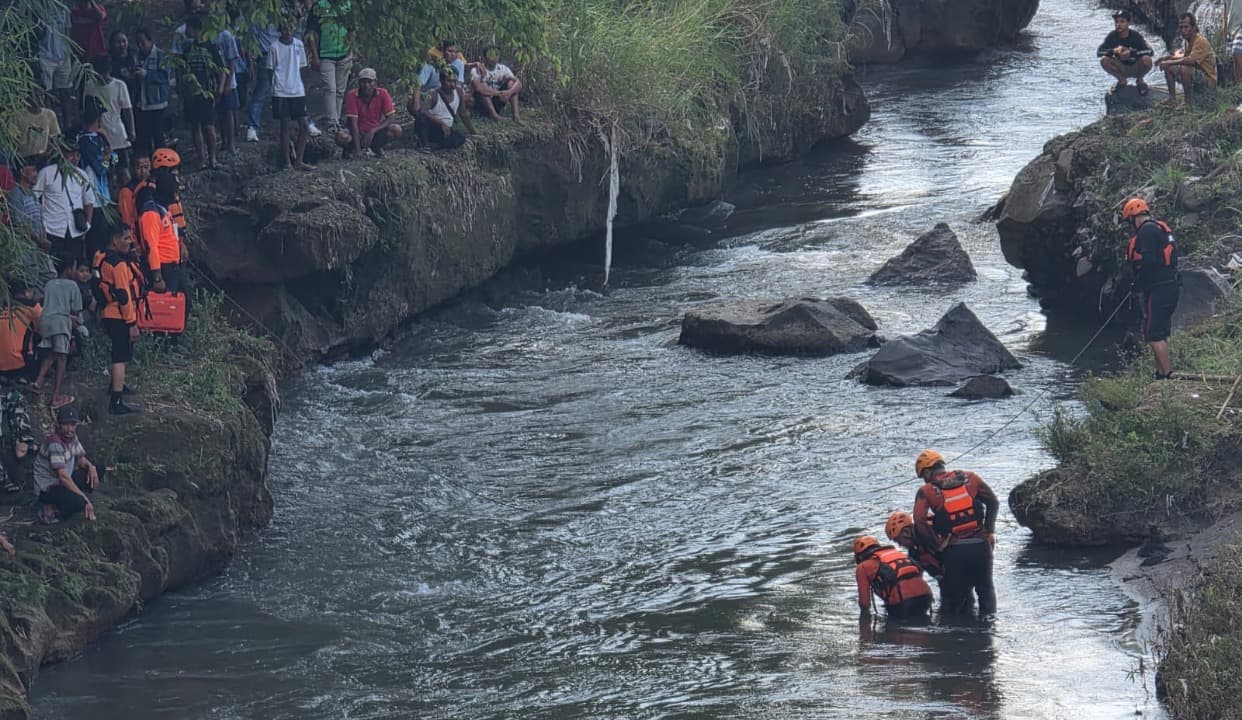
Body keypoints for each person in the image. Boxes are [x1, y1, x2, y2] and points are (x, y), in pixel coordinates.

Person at [912, 450, 999, 616]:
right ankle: (989, 633)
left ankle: (959, 637)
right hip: (981, 546)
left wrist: (936, 546)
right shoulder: (971, 478)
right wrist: (989, 532)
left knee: (958, 598)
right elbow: (993, 502)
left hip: (954, 551)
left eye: (923, 476)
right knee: (986, 589)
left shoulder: (926, 491)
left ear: (928, 472)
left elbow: (920, 521)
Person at [1122, 198, 1180, 379]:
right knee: (1160, 332)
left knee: (1153, 334)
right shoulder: (1158, 228)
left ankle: (1167, 377)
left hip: (1159, 290)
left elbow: (1149, 263)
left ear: (1133, 217)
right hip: (1170, 287)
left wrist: (1138, 284)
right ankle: (1160, 373)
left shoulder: (1146, 231)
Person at [96, 226, 142, 414]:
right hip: (118, 315)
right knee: (120, 356)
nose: (130, 241)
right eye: (126, 238)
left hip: (108, 313)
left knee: (120, 352)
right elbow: (123, 296)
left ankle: (117, 384)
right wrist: (131, 323)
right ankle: (116, 402)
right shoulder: (119, 265)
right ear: (115, 240)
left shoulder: (102, 257)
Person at [34, 406, 103, 524]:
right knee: (79, 503)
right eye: (65, 424)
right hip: (49, 488)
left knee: (99, 468)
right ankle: (50, 507)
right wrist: (84, 499)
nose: (69, 429)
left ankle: (72, 496)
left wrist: (91, 467)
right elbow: (63, 477)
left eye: (72, 425)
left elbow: (80, 459)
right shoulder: (55, 444)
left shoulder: (71, 437)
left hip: (64, 480)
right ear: (58, 425)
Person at [33, 257, 85, 409]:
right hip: (61, 322)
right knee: (62, 358)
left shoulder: (49, 284)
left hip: (45, 321)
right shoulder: (72, 285)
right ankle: (56, 397)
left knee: (51, 353)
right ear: (69, 269)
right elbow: (76, 310)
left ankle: (39, 381)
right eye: (75, 268)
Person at [180, 15, 228, 170]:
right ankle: (202, 158)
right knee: (195, 126)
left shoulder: (211, 47)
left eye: (188, 28)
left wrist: (220, 88)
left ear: (196, 29)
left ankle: (212, 158)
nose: (186, 31)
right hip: (191, 93)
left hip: (207, 92)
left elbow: (222, 69)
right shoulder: (187, 48)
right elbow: (181, 68)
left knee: (209, 126)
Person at [33, 144, 94, 261]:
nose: (75, 159)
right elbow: (35, 198)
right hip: (52, 229)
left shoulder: (82, 175)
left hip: (76, 230)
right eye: (71, 154)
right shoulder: (46, 173)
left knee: (74, 266)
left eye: (78, 155)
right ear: (61, 154)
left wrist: (87, 226)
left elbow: (89, 202)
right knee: (55, 264)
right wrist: (40, 228)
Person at [853, 535, 934, 621]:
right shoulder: (899, 554)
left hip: (903, 603)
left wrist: (863, 620)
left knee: (898, 631)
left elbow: (865, 604)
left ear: (860, 557)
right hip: (926, 597)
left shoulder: (863, 567)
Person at [7, 158, 57, 297]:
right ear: (22, 172)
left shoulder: (33, 194)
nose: (36, 174)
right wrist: (38, 240)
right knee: (31, 278)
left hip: (38, 247)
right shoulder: (16, 193)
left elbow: (40, 220)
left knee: (49, 274)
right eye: (33, 170)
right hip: (26, 247)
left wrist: (44, 239)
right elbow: (19, 222)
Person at [269, 20, 312, 169]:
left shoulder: (298, 44)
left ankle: (299, 160)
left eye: (290, 29)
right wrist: (274, 88)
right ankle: (287, 162)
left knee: (304, 125)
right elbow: (270, 70)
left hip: (297, 90)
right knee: (284, 125)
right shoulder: (274, 47)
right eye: (285, 29)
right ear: (280, 30)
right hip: (281, 90)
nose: (288, 32)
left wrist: (301, 85)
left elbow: (302, 67)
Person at [307, 0, 353, 131]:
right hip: (325, 54)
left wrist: (351, 50)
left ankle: (336, 120)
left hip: (344, 54)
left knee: (340, 91)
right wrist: (314, 56)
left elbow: (351, 28)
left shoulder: (347, 5)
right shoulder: (319, 6)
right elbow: (310, 33)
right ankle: (331, 122)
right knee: (330, 88)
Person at [336, 68, 401, 158]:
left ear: (375, 83)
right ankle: (351, 149)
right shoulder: (352, 95)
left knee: (396, 129)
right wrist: (358, 150)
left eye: (369, 82)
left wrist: (373, 130)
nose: (366, 85)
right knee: (341, 136)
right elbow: (353, 124)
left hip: (375, 132)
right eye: (363, 82)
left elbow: (390, 117)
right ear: (359, 83)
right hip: (357, 133)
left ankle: (377, 147)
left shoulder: (383, 93)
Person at [1156, 13, 1217, 107]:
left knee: (1185, 68)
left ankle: (1188, 102)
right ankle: (1172, 99)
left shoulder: (1200, 40)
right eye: (1181, 27)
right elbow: (1184, 58)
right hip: (1197, 77)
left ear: (1193, 27)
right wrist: (1167, 58)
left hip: (1208, 82)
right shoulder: (1188, 41)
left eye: (1186, 27)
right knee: (1169, 67)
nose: (1183, 30)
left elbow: (1190, 61)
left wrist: (1169, 61)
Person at [139, 172, 186, 296]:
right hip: (162, 268)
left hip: (172, 266)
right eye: (174, 191)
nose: (176, 195)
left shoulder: (163, 208)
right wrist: (157, 277)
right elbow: (150, 246)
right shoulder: (151, 212)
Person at [86, 57, 135, 176]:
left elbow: (127, 110)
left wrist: (131, 131)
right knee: (106, 168)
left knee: (122, 165)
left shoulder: (119, 85)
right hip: (100, 134)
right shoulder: (90, 85)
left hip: (117, 133)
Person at [413, 67, 475, 150]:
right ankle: (425, 144)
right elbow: (423, 111)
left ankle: (435, 146)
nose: (452, 85)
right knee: (422, 119)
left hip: (446, 131)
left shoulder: (459, 92)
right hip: (432, 128)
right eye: (449, 81)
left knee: (460, 138)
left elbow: (463, 113)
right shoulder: (434, 94)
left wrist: (473, 131)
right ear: (442, 81)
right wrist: (441, 123)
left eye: (454, 81)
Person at [132, 28, 171, 155]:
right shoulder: (136, 56)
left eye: (143, 42)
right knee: (143, 138)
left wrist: (147, 75)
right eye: (138, 42)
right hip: (141, 104)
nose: (140, 46)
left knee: (158, 136)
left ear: (150, 41)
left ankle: (162, 165)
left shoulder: (161, 55)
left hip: (156, 104)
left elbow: (165, 77)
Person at [1097, 11, 1153, 94]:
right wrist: (1113, 51)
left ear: (1128, 23)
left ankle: (1140, 81)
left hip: (1135, 66)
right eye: (1116, 22)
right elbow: (1099, 52)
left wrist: (1131, 52)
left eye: (1122, 21)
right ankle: (1121, 80)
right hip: (1121, 67)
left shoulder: (1135, 36)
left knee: (1147, 59)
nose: (1118, 24)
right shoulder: (1112, 36)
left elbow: (1150, 51)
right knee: (1103, 60)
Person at [36, 2, 74, 121]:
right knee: (47, 93)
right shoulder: (39, 7)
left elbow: (68, 32)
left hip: (63, 56)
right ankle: (48, 124)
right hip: (45, 55)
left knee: (66, 92)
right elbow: (37, 32)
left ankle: (69, 127)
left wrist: (68, 52)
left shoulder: (64, 9)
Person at [245, 22, 280, 142]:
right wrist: (251, 61)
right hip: (265, 55)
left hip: (283, 54)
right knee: (261, 92)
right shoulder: (259, 18)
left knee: (294, 89)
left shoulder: (283, 13)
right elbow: (251, 38)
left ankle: (307, 123)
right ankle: (252, 127)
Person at [885, 510, 944, 581]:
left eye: (899, 540)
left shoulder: (928, 530)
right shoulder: (913, 554)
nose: (900, 545)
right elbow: (917, 577)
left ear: (906, 532)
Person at [0, 284, 43, 381]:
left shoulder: (2, 304)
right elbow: (43, 329)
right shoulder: (31, 306)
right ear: (26, 292)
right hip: (20, 364)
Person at [212, 19, 243, 154]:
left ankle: (231, 143)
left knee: (229, 111)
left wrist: (229, 83)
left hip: (228, 78)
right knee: (219, 112)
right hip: (213, 80)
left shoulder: (226, 36)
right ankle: (224, 141)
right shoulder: (208, 36)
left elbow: (231, 61)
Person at [470, 46, 523, 121]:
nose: (494, 58)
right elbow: (478, 88)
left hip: (497, 101)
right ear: (485, 57)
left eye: (496, 54)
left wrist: (508, 92)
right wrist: (499, 93)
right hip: (481, 103)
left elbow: (519, 84)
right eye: (491, 55)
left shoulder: (503, 68)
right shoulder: (477, 69)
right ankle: (494, 116)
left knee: (512, 83)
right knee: (483, 88)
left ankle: (516, 116)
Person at [118, 154, 152, 252]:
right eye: (139, 168)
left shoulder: (154, 185)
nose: (143, 171)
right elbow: (127, 220)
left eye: (146, 167)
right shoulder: (127, 191)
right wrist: (134, 246)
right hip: (140, 241)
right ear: (132, 169)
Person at [16, 91, 62, 161]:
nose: (37, 98)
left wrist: (47, 153)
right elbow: (13, 138)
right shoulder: (18, 115)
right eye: (34, 96)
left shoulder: (49, 114)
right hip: (24, 158)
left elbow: (55, 136)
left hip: (43, 158)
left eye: (40, 95)